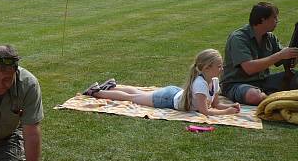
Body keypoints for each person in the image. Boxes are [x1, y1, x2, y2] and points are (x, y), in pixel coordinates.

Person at [84, 49, 241, 115]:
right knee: (132, 98)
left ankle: (114, 86)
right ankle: (97, 92)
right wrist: (226, 112)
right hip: (166, 99)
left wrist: (229, 107)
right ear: (207, 68)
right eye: (219, 66)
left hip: (172, 94)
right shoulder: (200, 85)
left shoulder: (213, 81)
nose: (222, 69)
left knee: (140, 94)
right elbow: (205, 111)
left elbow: (214, 105)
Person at [220, 2, 298, 105]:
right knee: (254, 96)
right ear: (262, 19)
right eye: (274, 18)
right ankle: (274, 99)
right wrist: (280, 55)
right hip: (237, 84)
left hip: (263, 81)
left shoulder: (270, 37)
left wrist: (293, 55)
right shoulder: (238, 38)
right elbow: (249, 68)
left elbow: (287, 62)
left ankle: (271, 96)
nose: (277, 21)